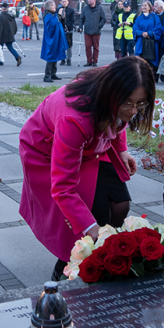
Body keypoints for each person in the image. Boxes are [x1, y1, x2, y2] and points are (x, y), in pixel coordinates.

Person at [19, 57, 152, 280]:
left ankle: (99, 257)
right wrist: (92, 230)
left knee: (120, 204)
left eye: (140, 103)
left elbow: (117, 120)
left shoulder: (117, 82)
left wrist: (121, 149)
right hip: (47, 149)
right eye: (128, 103)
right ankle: (70, 266)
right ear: (112, 94)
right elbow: (63, 188)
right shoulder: (74, 120)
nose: (133, 111)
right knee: (91, 217)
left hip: (92, 142)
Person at [132, 1, 162, 75]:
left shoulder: (155, 17)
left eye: (145, 5)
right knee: (141, 62)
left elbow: (158, 28)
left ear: (150, 7)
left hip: (151, 42)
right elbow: (135, 29)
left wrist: (149, 33)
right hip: (140, 42)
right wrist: (142, 33)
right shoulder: (139, 18)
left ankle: (152, 76)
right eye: (143, 5)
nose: (144, 7)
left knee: (151, 61)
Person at [41, 0, 67, 82]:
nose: (55, 6)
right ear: (48, 7)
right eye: (52, 5)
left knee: (55, 55)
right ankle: (47, 75)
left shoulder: (53, 15)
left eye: (54, 5)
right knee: (51, 56)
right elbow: (52, 26)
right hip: (51, 39)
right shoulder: (48, 16)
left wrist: (61, 17)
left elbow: (58, 23)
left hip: (55, 38)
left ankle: (53, 74)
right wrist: (59, 15)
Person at [79, 0, 107, 67]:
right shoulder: (85, 8)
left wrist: (99, 26)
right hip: (87, 31)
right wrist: (80, 27)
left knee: (96, 47)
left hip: (96, 31)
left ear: (94, 0)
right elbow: (81, 18)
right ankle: (89, 61)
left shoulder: (100, 8)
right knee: (87, 46)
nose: (88, 1)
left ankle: (95, 61)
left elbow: (103, 18)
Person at [0, 1, 22, 66]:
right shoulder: (11, 16)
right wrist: (12, 34)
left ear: (2, 8)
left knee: (0, 49)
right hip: (10, 35)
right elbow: (15, 27)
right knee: (10, 48)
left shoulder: (0, 17)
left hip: (2, 36)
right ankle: (17, 57)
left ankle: (0, 61)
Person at [58, 0, 76, 66]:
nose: (64, 3)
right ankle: (63, 59)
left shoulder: (71, 10)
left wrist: (67, 26)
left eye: (65, 1)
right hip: (61, 30)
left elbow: (73, 20)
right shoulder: (59, 10)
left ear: (68, 2)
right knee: (61, 45)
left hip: (69, 30)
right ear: (61, 2)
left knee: (69, 45)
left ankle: (69, 59)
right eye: (63, 2)